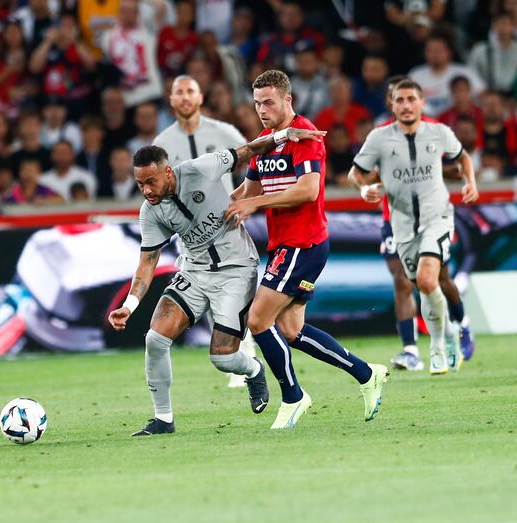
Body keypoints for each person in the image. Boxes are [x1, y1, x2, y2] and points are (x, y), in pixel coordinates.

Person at [109, 125, 326, 436]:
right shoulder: (151, 212)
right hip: (194, 272)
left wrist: (282, 136)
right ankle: (163, 419)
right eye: (140, 184)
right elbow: (148, 262)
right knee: (155, 339)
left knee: (222, 358)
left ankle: (253, 369)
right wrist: (129, 306)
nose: (146, 190)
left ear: (168, 173)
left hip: (236, 270)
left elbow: (248, 151)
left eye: (151, 182)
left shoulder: (201, 169)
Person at [226, 70, 389, 429]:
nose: (262, 110)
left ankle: (293, 397)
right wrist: (215, 209)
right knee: (290, 330)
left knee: (257, 320)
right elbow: (244, 192)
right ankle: (366, 373)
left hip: (303, 242)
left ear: (288, 100)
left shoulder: (307, 135)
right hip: (286, 245)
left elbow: (308, 190)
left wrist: (257, 204)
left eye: (268, 102)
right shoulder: (267, 141)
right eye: (257, 104)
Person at [349, 75, 476, 370]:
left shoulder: (434, 131)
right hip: (394, 220)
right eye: (398, 98)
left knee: (435, 280)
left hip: (434, 218)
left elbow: (454, 162)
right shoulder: (380, 137)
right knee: (404, 282)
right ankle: (410, 350)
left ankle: (458, 328)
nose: (405, 104)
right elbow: (361, 173)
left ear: (420, 102)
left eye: (410, 98)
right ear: (390, 103)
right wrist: (366, 187)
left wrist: (467, 180)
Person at [153, 74, 254, 388]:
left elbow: (253, 166)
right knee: (208, 292)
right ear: (171, 100)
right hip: (192, 237)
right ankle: (237, 356)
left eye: (190, 92)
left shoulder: (223, 132)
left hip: (227, 228)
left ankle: (243, 352)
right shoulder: (162, 144)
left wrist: (242, 201)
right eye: (178, 92)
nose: (184, 97)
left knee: (232, 292)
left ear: (200, 97)